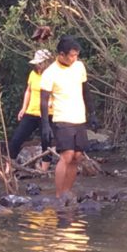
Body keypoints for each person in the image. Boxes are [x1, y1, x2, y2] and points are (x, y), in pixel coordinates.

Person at [39, 36, 98, 198]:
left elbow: (86, 91)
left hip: (79, 117)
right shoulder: (50, 72)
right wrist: (45, 125)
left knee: (77, 156)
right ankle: (59, 194)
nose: (74, 58)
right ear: (61, 54)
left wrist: (92, 113)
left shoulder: (79, 66)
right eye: (72, 55)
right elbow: (43, 100)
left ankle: (67, 192)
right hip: (61, 117)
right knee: (67, 154)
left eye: (76, 55)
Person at [7, 49, 54, 170]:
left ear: (47, 62)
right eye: (37, 63)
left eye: (40, 63)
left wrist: (52, 102)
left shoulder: (53, 75)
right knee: (16, 139)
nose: (38, 65)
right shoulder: (33, 74)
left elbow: (60, 93)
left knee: (46, 141)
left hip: (47, 113)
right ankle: (9, 168)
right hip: (31, 111)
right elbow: (28, 90)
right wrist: (24, 108)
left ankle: (44, 170)